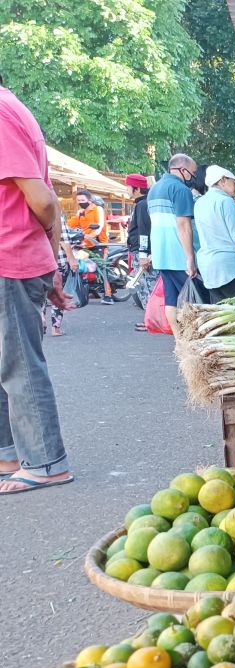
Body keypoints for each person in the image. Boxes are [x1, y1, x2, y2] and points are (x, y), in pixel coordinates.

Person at [0, 82, 74, 494]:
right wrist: (51, 259)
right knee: (7, 363)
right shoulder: (12, 107)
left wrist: (47, 245)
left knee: (19, 364)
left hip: (9, 256)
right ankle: (11, 453)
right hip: (18, 256)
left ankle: (46, 461)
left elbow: (43, 200)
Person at [146, 153, 200, 334]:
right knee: (191, 299)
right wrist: (190, 257)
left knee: (171, 298)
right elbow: (183, 225)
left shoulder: (154, 189)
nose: (192, 177)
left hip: (161, 254)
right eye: (192, 173)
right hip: (178, 253)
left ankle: (178, 339)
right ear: (182, 170)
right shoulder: (180, 189)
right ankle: (191, 338)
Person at [194, 166, 235, 301]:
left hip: (209, 269)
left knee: (221, 314)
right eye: (234, 182)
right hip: (232, 269)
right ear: (223, 180)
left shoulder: (199, 203)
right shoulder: (225, 201)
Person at [43, 216, 78, 336]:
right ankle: (55, 328)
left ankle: (41, 321)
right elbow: (63, 239)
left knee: (39, 294)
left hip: (37, 262)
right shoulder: (55, 213)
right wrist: (72, 258)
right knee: (58, 293)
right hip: (58, 261)